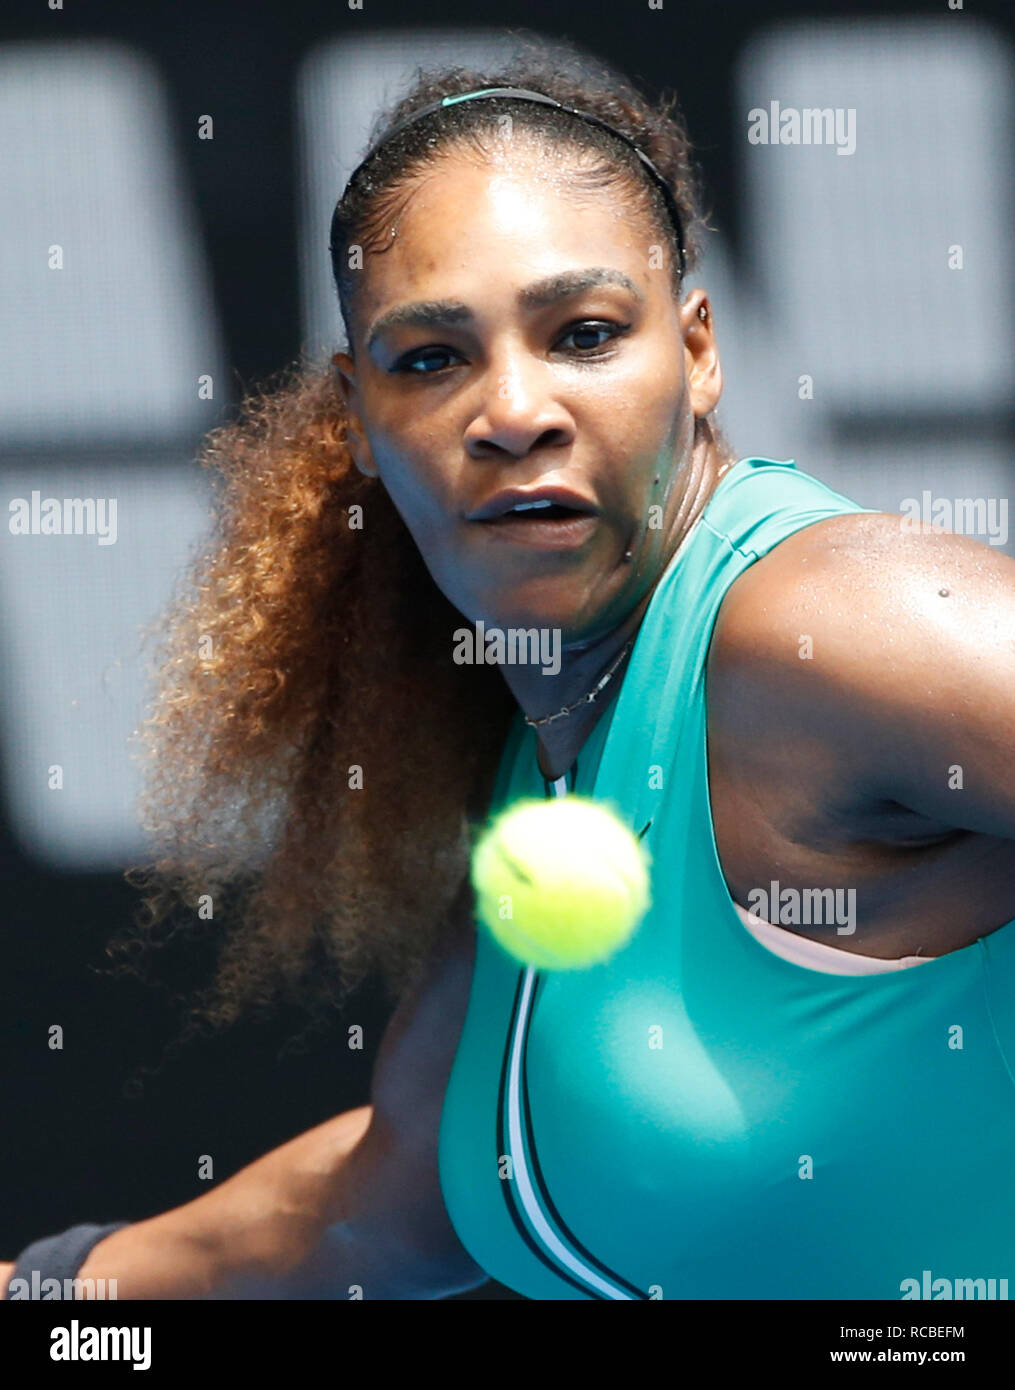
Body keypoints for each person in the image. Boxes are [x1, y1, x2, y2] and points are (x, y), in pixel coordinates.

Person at [4, 35, 1015, 1301]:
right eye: (430, 358)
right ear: (359, 419)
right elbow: (379, 1222)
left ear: (698, 353)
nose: (515, 408)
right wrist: (52, 1304)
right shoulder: (548, 777)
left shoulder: (819, 623)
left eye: (583, 333)